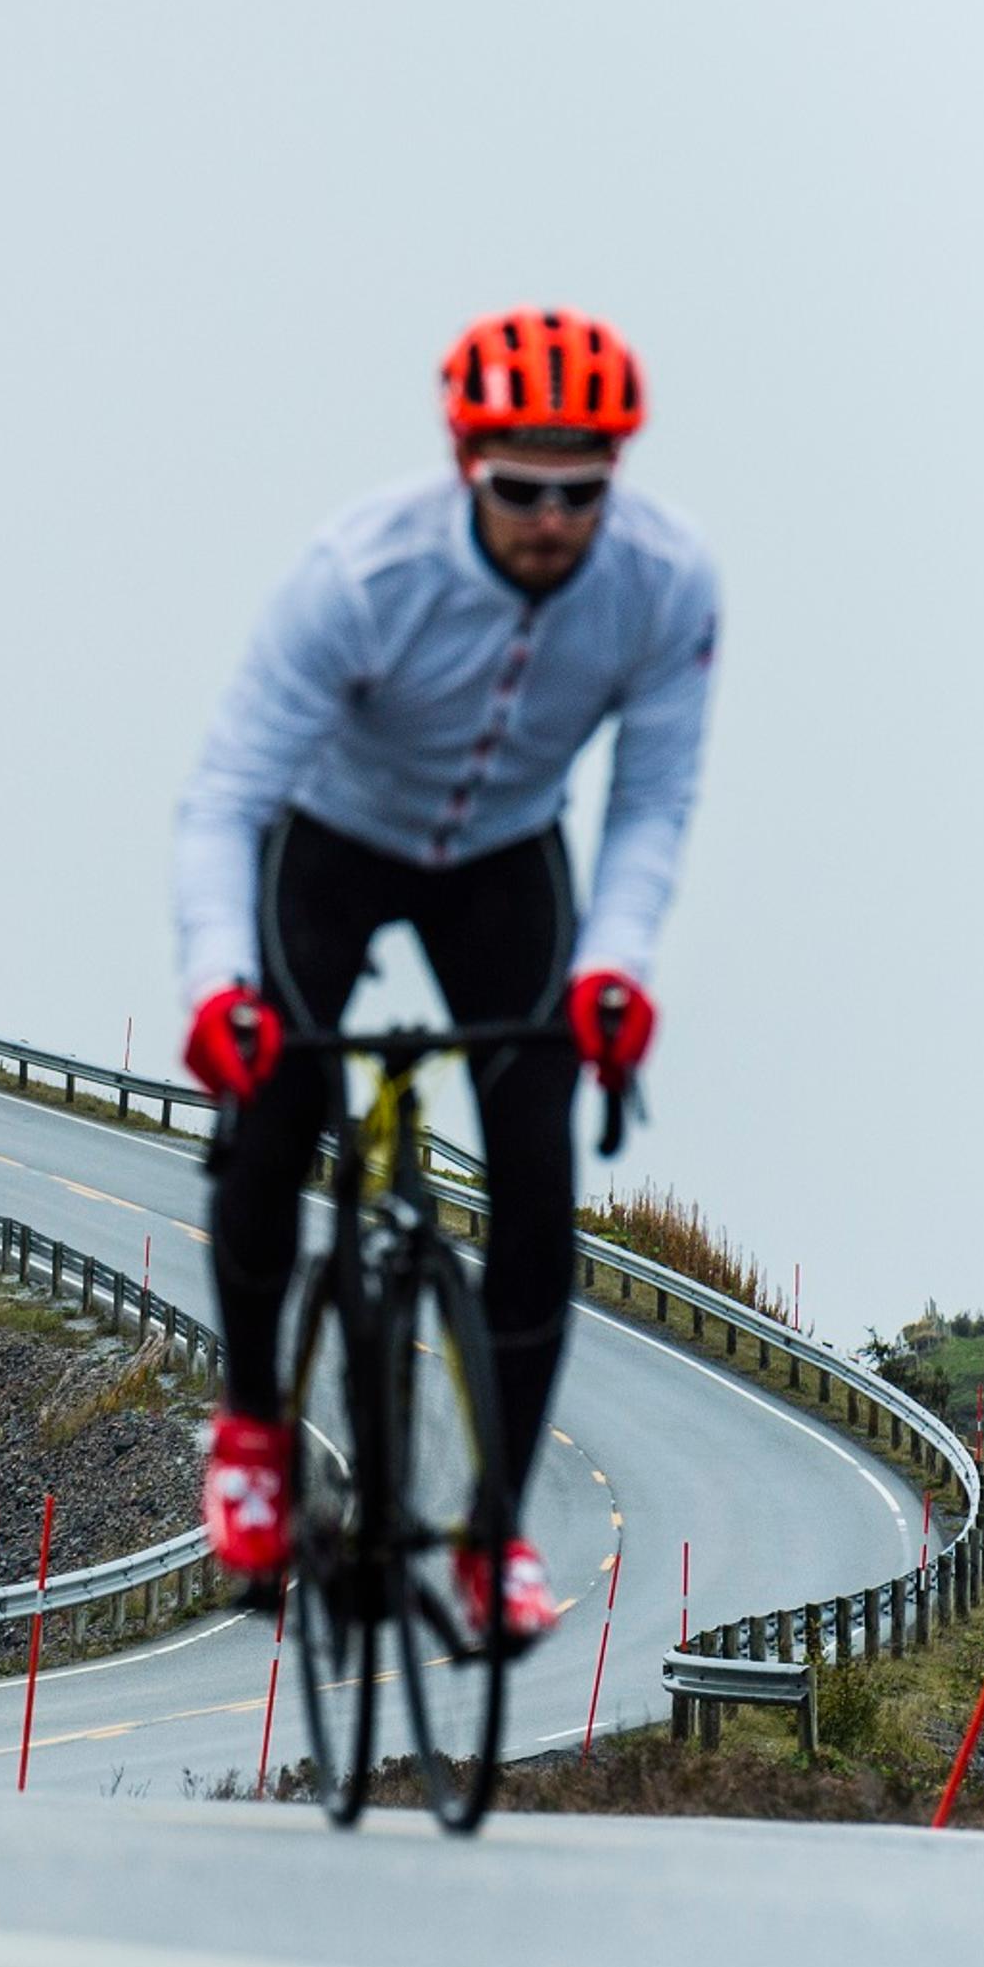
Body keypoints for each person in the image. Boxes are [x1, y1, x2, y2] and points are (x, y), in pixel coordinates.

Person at [172, 308, 717, 1641]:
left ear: (615, 481)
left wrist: (616, 971)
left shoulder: (666, 585)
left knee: (538, 1178)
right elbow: (226, 799)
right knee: (275, 1108)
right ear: (467, 463)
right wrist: (218, 988)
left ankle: (489, 1536)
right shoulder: (362, 577)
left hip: (504, 860)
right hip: (335, 839)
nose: (551, 518)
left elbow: (650, 802)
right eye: (519, 488)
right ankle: (250, 1428)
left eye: (580, 492)